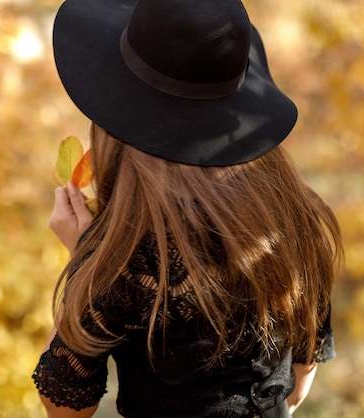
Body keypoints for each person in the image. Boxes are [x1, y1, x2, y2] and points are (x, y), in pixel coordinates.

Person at [32, 0, 343, 417]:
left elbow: (66, 409)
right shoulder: (296, 221)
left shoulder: (124, 263)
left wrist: (85, 261)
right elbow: (295, 387)